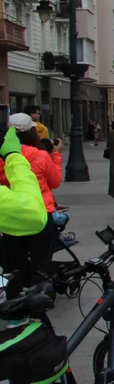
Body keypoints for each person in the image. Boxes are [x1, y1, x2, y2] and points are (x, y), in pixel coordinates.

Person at [0, 123, 51, 298]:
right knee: (40, 261)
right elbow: (32, 211)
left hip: (9, 216)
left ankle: (15, 307)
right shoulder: (41, 155)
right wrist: (13, 156)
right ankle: (38, 302)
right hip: (37, 211)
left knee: (13, 262)